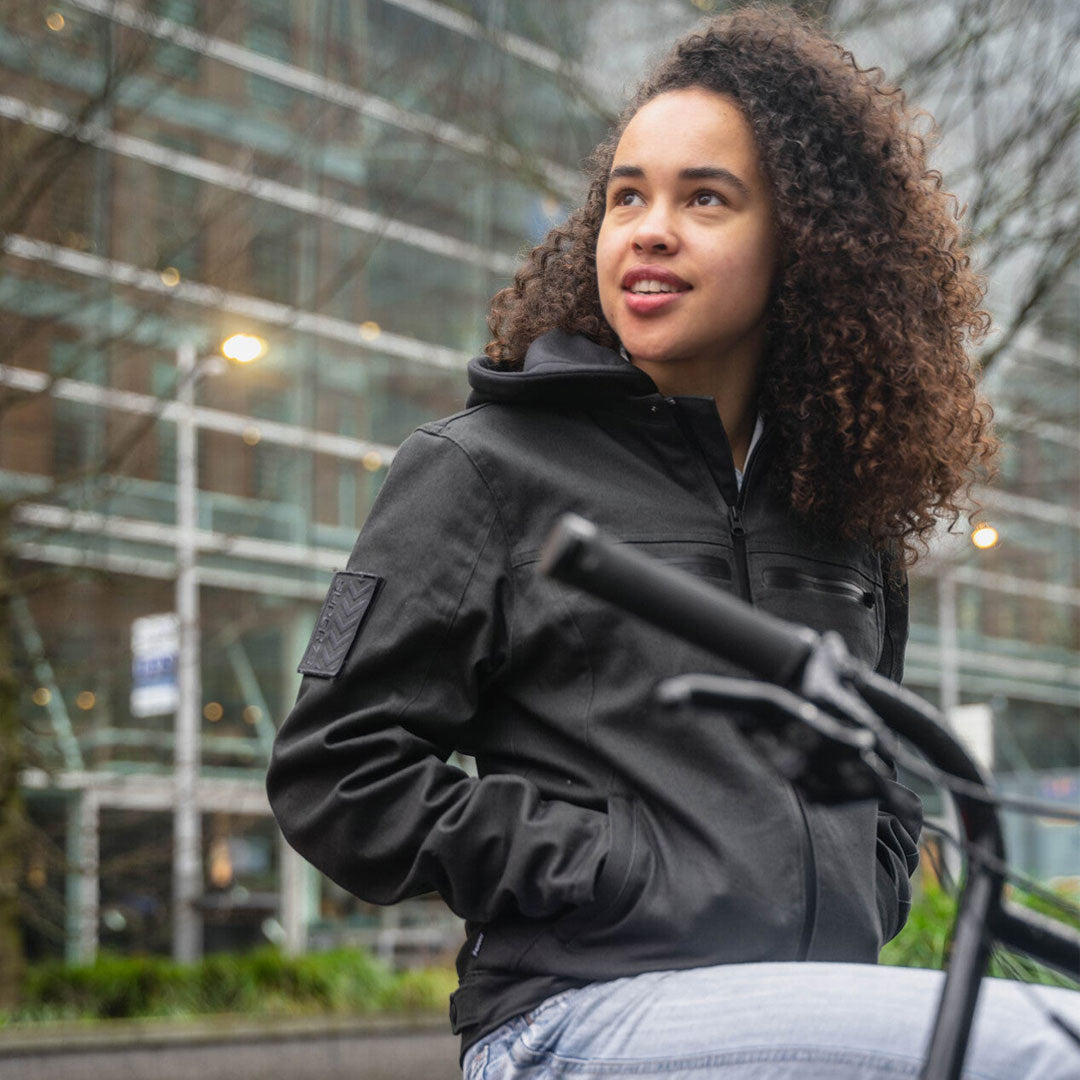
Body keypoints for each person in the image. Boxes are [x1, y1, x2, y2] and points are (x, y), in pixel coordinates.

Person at [267, 7, 1079, 1078]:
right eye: (626, 197)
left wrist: (864, 883)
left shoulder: (845, 515)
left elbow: (881, 782)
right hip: (574, 1020)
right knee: (1041, 1050)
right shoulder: (485, 467)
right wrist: (613, 866)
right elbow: (339, 774)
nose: (648, 229)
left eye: (706, 198)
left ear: (808, 243)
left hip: (807, 1008)